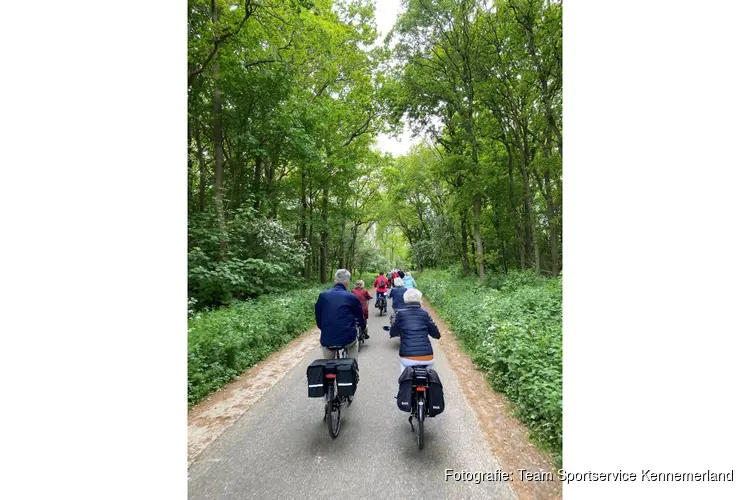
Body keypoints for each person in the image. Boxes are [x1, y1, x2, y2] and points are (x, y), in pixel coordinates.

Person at [315, 269, 365, 361]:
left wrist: (324, 328)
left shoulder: (323, 296)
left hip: (327, 337)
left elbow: (318, 317)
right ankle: (354, 370)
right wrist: (363, 326)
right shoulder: (351, 297)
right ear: (347, 282)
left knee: (328, 363)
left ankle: (328, 370)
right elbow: (360, 316)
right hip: (348, 338)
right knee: (354, 344)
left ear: (335, 281)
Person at [389, 288, 440, 375]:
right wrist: (436, 335)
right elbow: (435, 333)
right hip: (426, 357)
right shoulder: (425, 313)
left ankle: (403, 387)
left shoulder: (400, 314)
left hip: (407, 357)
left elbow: (393, 331)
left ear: (405, 299)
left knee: (404, 375)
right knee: (429, 376)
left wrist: (392, 333)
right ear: (420, 300)